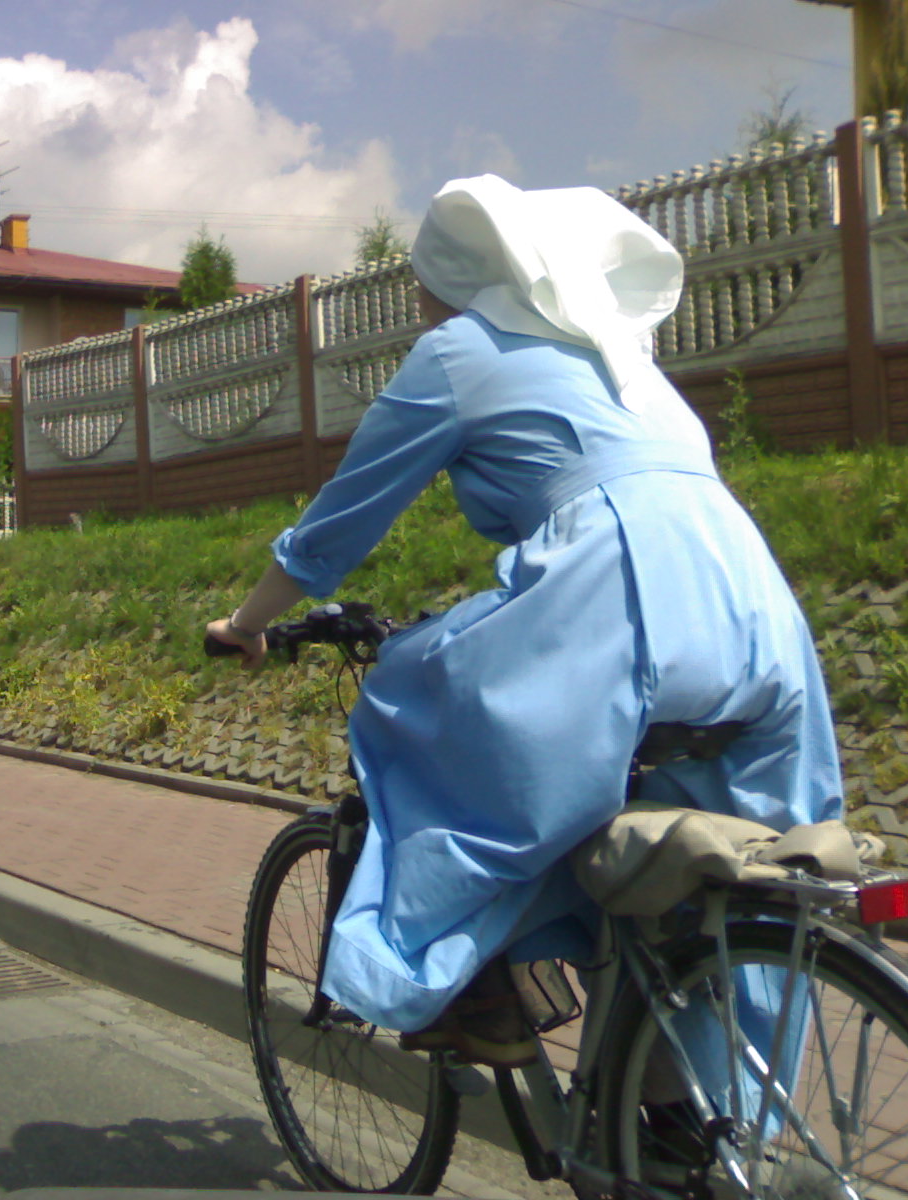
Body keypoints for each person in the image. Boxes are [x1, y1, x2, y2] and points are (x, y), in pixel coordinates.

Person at [206, 175, 842, 1066]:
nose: (420, 303)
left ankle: (469, 986)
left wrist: (247, 622)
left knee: (408, 699)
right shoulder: (624, 357)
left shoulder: (460, 351)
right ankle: (691, 1106)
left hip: (614, 597)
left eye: (423, 283)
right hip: (751, 603)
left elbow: (339, 523)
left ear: (455, 277)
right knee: (737, 871)